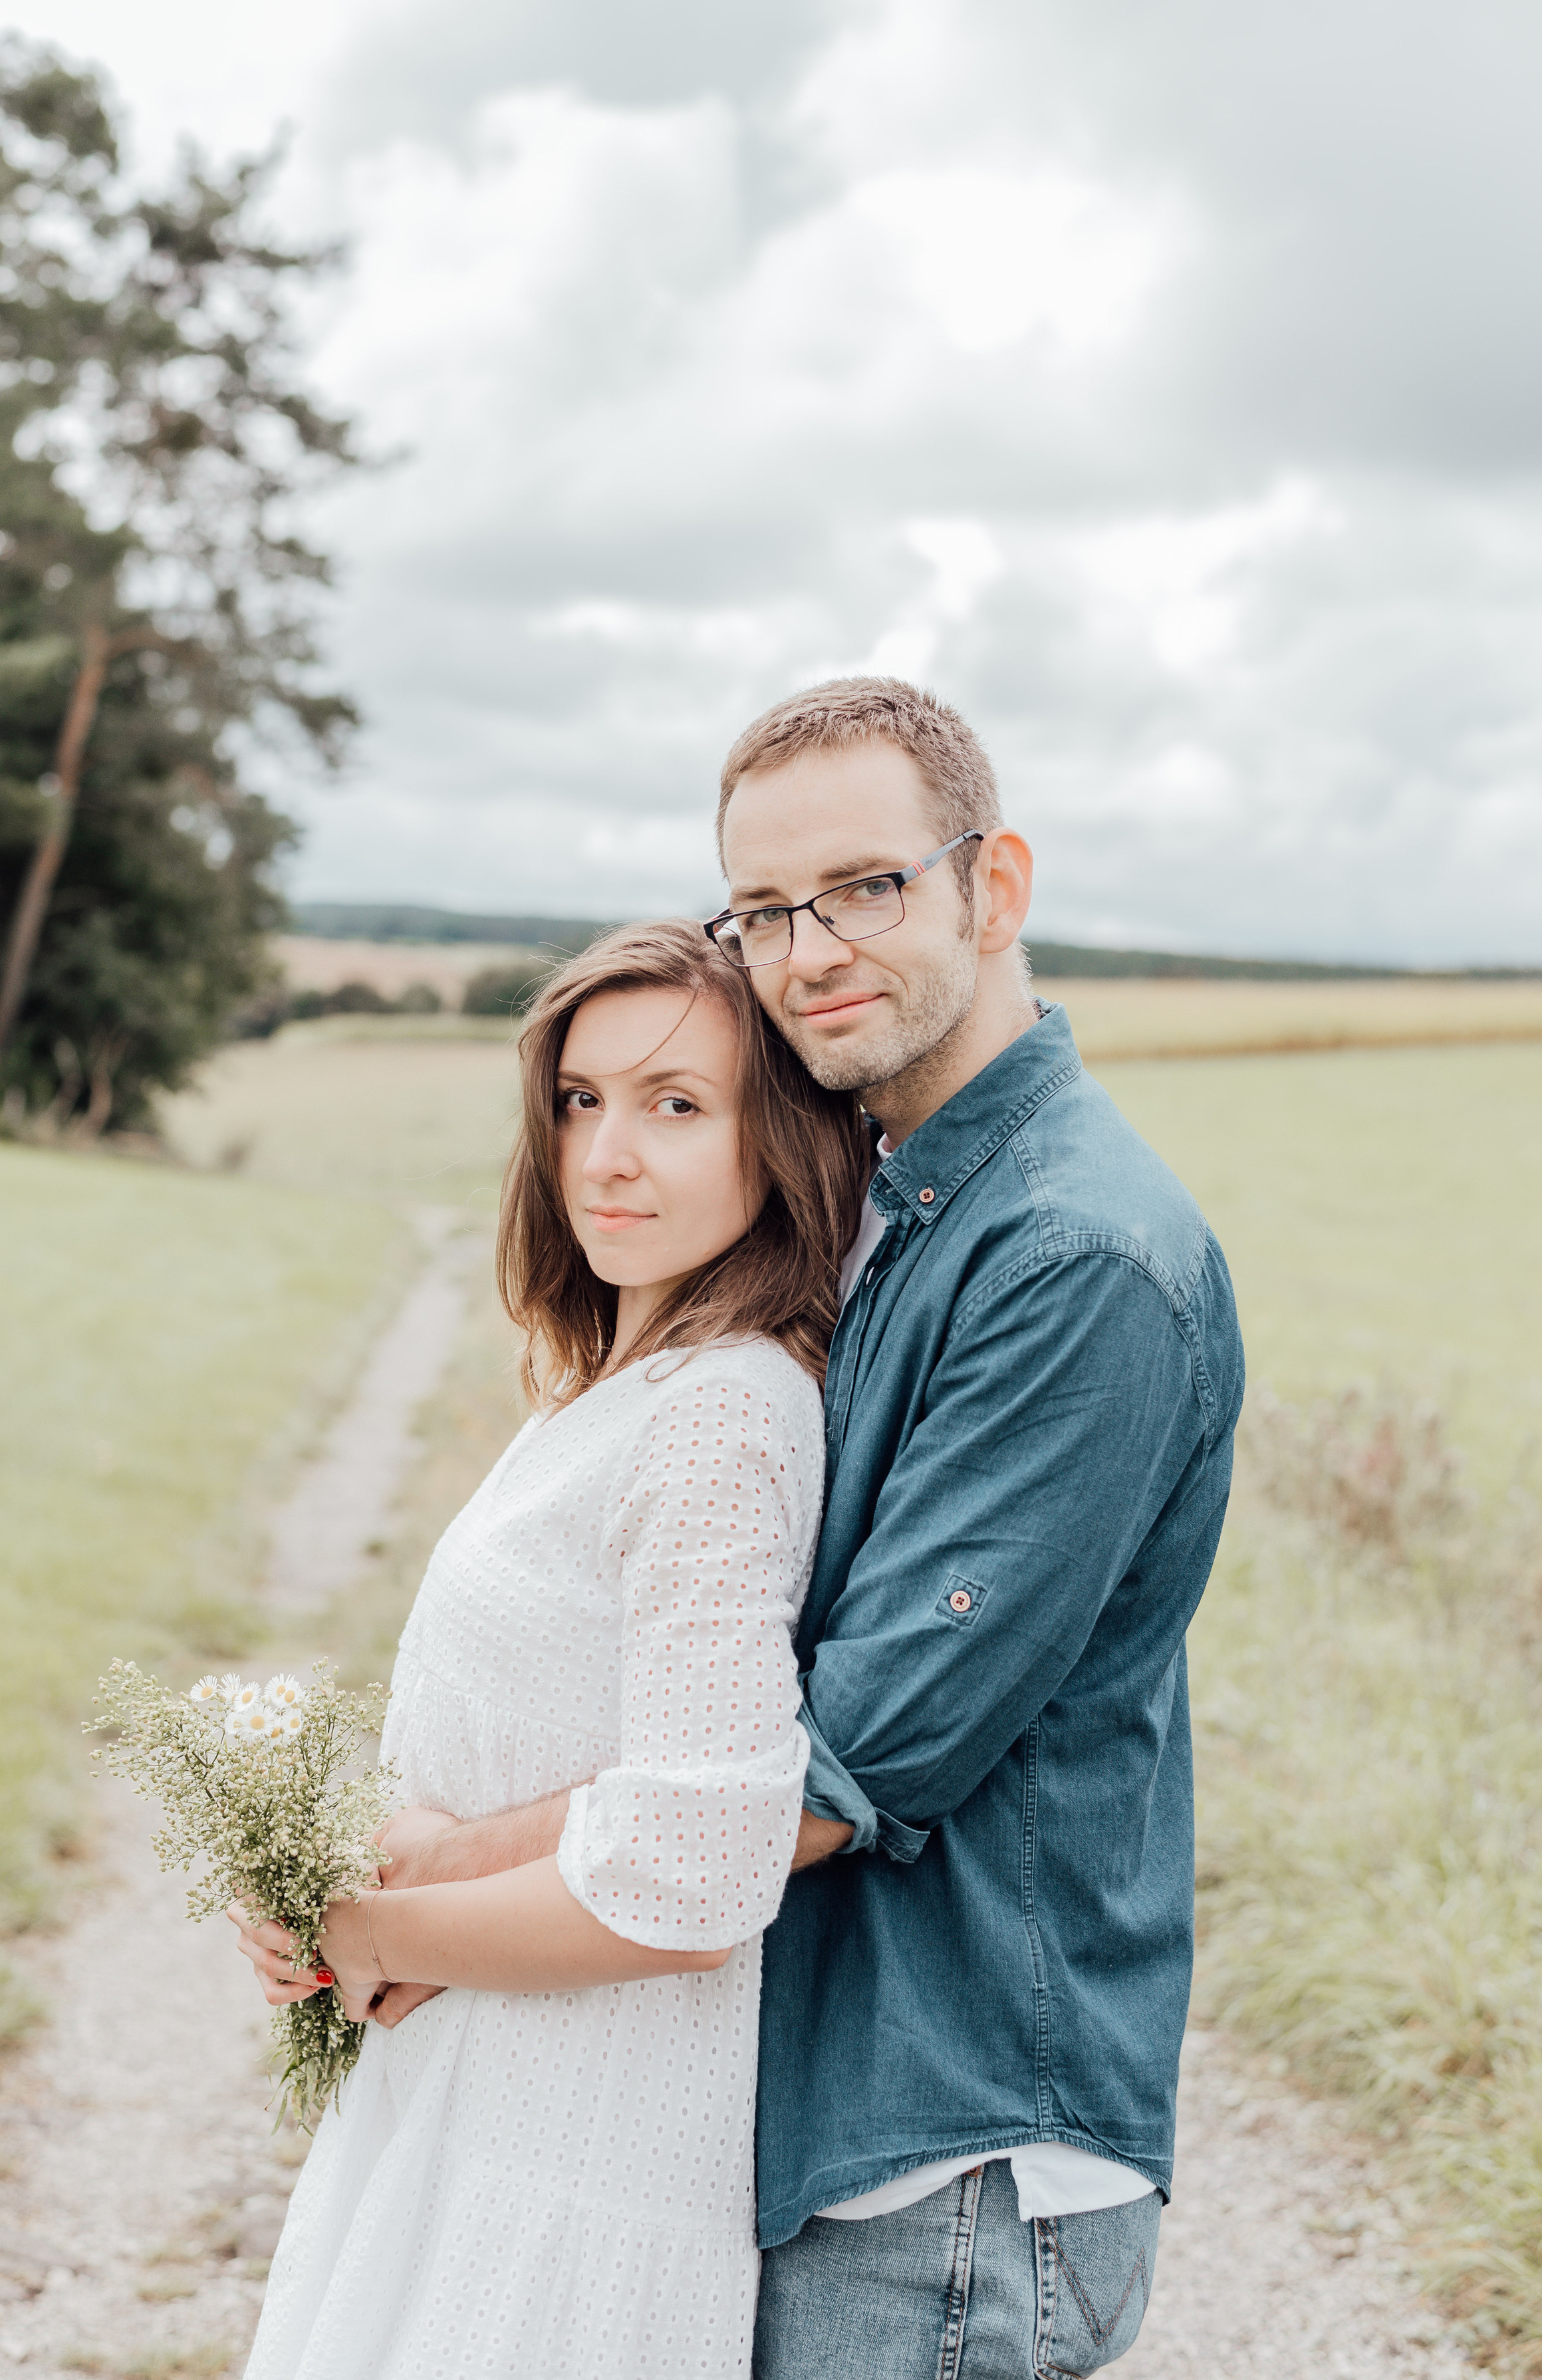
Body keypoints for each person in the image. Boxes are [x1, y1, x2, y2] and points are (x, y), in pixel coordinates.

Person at [231, 918, 869, 2380]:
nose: (606, 1156)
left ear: (780, 1142)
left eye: (676, 1105)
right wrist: (310, 1877)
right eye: (582, 1100)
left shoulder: (722, 1415)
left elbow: (699, 1874)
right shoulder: (609, 1388)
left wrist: (375, 1929)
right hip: (469, 2101)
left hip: (572, 2143)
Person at [709, 679, 1245, 2377]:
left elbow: (837, 1771)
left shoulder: (1074, 1254)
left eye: (865, 886)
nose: (808, 952)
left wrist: (421, 1899)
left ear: (990, 888)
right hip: (847, 2124)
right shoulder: (889, 1199)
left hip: (950, 2175)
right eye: (766, 913)